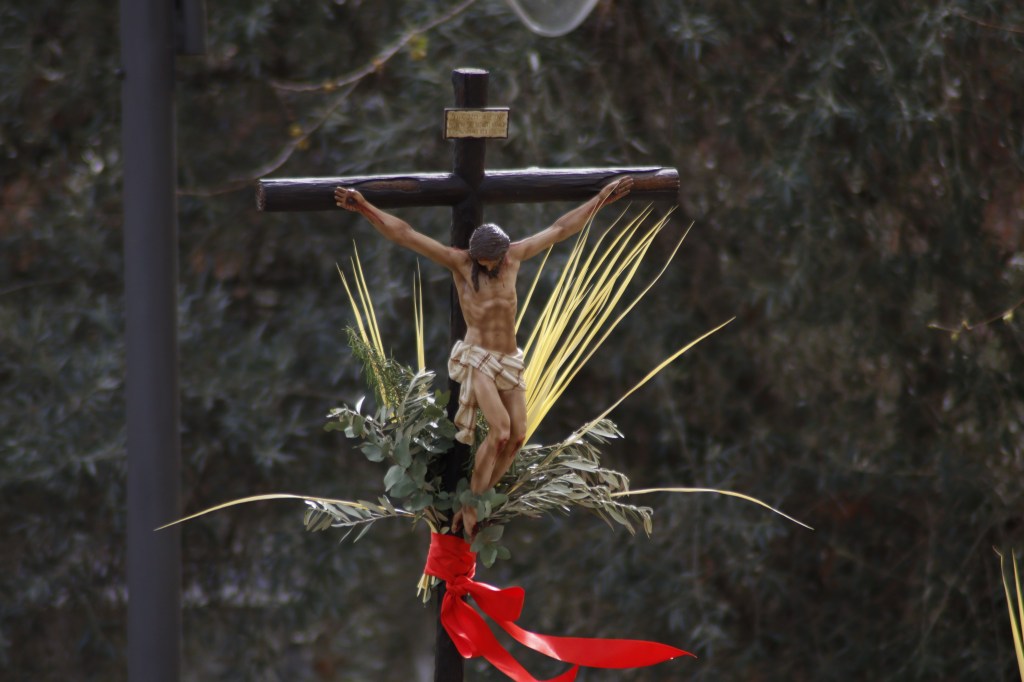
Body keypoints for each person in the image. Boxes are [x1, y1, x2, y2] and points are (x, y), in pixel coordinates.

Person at [334, 177, 633, 536]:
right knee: (501, 431)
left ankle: (480, 498)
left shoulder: (515, 256)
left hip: (509, 359)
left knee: (518, 436)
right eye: (484, 263)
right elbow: (407, 234)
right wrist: (365, 207)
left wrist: (601, 199)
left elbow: (559, 228)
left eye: (495, 262)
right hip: (478, 359)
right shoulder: (460, 264)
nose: (490, 268)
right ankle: (471, 505)